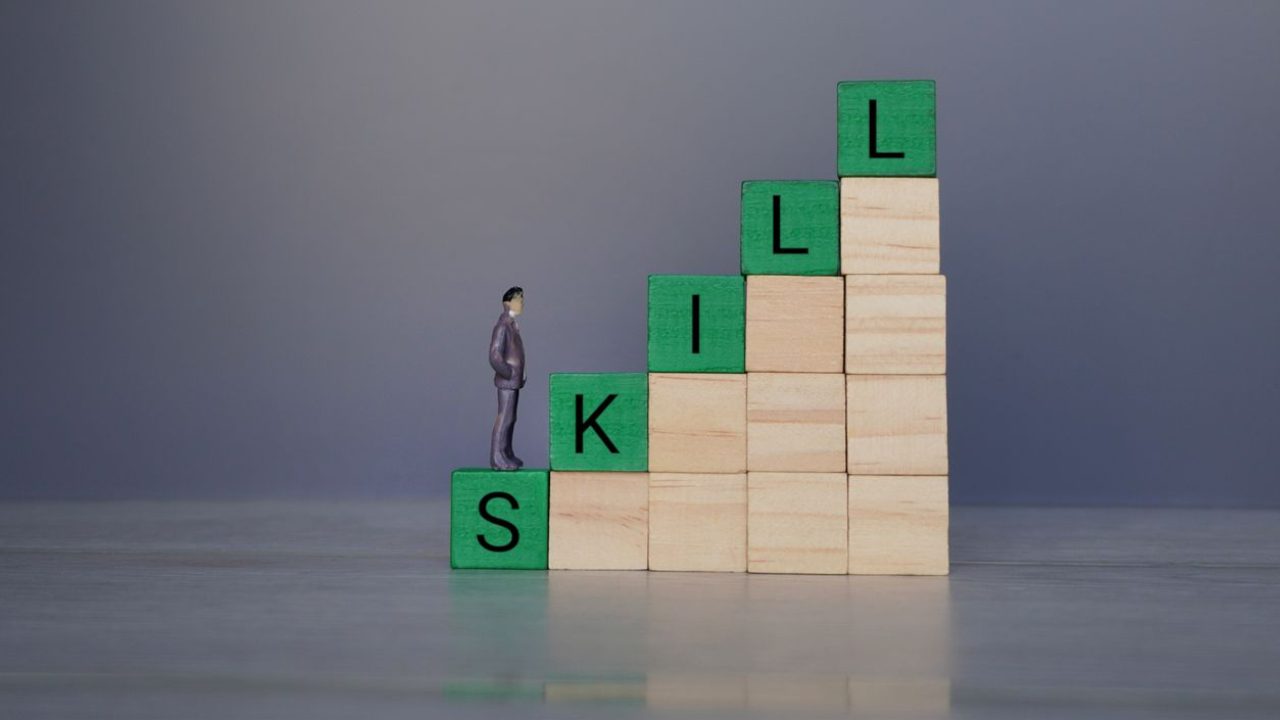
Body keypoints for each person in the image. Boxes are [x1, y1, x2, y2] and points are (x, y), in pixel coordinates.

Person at [489, 286, 525, 470]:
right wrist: (509, 372)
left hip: (514, 381)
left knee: (511, 418)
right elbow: (494, 356)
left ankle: (507, 452)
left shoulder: (512, 325)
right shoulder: (502, 326)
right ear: (507, 303)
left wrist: (519, 373)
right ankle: (497, 457)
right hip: (507, 381)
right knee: (504, 417)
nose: (522, 303)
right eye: (518, 299)